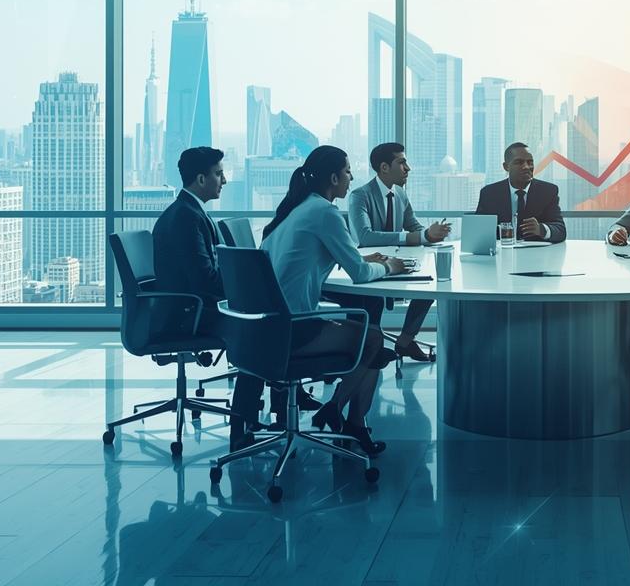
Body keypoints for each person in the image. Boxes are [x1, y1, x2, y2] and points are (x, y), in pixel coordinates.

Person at [229, 145, 401, 456]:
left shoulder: (296, 209)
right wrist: (389, 266)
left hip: (261, 330)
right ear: (334, 177)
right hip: (292, 330)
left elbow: (310, 257)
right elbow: (360, 273)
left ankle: (348, 420)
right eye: (348, 172)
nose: (351, 178)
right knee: (372, 339)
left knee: (369, 338)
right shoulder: (325, 212)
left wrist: (355, 258)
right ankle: (339, 412)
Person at [347, 142, 450, 362]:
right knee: (371, 303)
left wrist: (431, 234)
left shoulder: (400, 194)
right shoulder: (360, 196)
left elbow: (414, 226)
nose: (408, 168)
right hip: (374, 265)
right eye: (402, 162)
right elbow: (364, 236)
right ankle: (366, 349)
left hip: (398, 263)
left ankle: (405, 340)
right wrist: (417, 237)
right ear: (384, 167)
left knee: (430, 284)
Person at [151, 147, 227, 335]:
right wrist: (243, 285)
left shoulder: (188, 211)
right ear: (201, 179)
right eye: (218, 174)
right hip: (190, 314)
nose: (224, 181)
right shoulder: (186, 218)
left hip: (192, 307)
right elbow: (204, 280)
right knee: (263, 316)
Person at [473, 142, 566, 243]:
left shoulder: (548, 191)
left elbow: (561, 230)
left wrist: (541, 229)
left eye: (530, 162)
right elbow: (478, 231)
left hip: (537, 255)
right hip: (503, 253)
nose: (526, 167)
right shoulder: (489, 193)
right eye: (519, 162)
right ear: (506, 166)